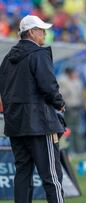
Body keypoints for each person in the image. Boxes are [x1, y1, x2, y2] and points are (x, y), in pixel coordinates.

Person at [0, 15, 65, 203]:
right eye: (41, 30)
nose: (44, 33)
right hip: (40, 123)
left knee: (22, 175)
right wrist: (59, 102)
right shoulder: (39, 54)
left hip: (15, 125)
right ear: (31, 32)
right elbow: (49, 86)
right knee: (51, 176)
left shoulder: (7, 59)